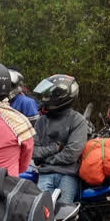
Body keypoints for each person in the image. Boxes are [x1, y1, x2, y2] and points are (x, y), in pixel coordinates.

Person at [32, 74, 88, 203]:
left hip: (69, 175)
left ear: (60, 96)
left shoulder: (78, 120)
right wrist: (55, 148)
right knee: (41, 213)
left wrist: (47, 159)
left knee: (64, 215)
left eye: (49, 95)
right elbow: (34, 152)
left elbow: (71, 154)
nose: (45, 98)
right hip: (45, 173)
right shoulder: (41, 121)